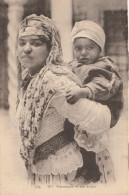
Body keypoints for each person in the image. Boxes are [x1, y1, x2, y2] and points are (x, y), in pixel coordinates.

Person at [16, 14, 111, 187]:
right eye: (22, 43)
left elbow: (100, 119)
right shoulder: (30, 77)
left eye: (36, 43)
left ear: (50, 48)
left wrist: (83, 138)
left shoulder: (54, 81)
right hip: (40, 169)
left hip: (60, 171)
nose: (26, 49)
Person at [66, 20, 123, 183]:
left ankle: (90, 169)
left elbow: (101, 86)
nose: (83, 53)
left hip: (103, 110)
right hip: (86, 109)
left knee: (88, 135)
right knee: (71, 130)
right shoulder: (76, 64)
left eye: (89, 47)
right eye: (78, 48)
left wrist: (83, 91)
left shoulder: (102, 66)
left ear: (99, 49)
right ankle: (79, 164)